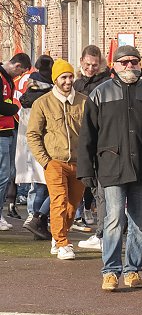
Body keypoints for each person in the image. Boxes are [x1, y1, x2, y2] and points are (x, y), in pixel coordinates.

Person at [77, 45, 142, 291]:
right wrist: (86, 170)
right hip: (111, 166)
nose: (129, 66)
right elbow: (87, 136)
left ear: (140, 64)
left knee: (141, 223)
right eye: (123, 62)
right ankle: (110, 272)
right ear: (114, 65)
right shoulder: (100, 93)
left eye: (134, 61)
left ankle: (133, 270)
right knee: (113, 220)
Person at [26, 60, 87, 260]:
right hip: (55, 161)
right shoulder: (42, 103)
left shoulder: (84, 101)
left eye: (70, 77)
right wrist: (45, 161)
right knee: (59, 200)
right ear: (55, 80)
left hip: (79, 162)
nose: (68, 81)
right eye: (64, 77)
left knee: (73, 204)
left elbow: (93, 131)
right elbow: (33, 134)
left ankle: (58, 235)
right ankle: (62, 243)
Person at [73, 45, 111, 249]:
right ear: (81, 62)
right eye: (87, 64)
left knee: (101, 193)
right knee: (91, 189)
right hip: (82, 142)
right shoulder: (77, 83)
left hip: (99, 142)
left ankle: (103, 234)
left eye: (94, 65)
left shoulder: (106, 83)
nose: (90, 68)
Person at [17, 55, 54, 240]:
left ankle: (34, 215)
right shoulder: (48, 95)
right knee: (43, 185)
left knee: (37, 184)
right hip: (45, 145)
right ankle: (37, 219)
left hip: (31, 146)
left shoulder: (29, 91)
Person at [0, 53, 31, 231]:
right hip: (2, 131)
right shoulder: (2, 78)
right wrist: (14, 109)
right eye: (21, 72)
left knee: (8, 173)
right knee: (4, 175)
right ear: (17, 66)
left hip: (8, 129)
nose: (19, 76)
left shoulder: (6, 79)